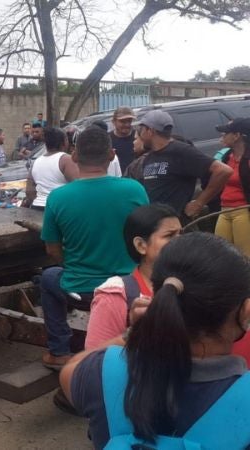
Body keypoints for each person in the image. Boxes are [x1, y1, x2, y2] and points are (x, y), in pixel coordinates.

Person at [61, 233, 250, 450]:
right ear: (245, 312)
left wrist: (134, 333)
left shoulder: (100, 372)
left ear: (160, 295)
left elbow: (70, 369)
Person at [40, 126, 149, 369]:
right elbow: (147, 235)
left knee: (48, 278)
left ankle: (59, 350)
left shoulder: (59, 197)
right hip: (129, 288)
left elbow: (52, 250)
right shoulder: (134, 190)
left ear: (75, 156)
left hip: (81, 288)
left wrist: (71, 265)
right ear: (112, 155)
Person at [84, 204, 181, 350]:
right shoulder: (115, 296)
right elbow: (94, 359)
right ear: (141, 245)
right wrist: (135, 333)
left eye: (181, 234)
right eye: (169, 235)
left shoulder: (195, 283)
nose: (180, 241)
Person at [137, 110, 232, 219]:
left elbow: (223, 171)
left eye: (141, 129)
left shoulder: (181, 151)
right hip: (156, 222)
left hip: (177, 223)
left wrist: (199, 203)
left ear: (150, 130)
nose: (139, 133)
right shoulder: (150, 157)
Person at [213, 118, 250, 256]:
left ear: (237, 136)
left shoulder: (248, 159)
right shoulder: (226, 156)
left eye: (225, 133)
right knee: (220, 254)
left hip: (243, 211)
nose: (222, 137)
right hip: (224, 209)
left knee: (245, 256)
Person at [23, 127, 78, 211]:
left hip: (37, 207)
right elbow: (79, 186)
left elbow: (29, 191)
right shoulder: (66, 160)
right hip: (60, 209)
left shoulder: (36, 162)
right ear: (64, 142)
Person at [110, 107, 137, 173]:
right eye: (123, 121)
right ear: (114, 122)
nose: (127, 124)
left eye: (129, 121)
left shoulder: (138, 137)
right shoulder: (107, 139)